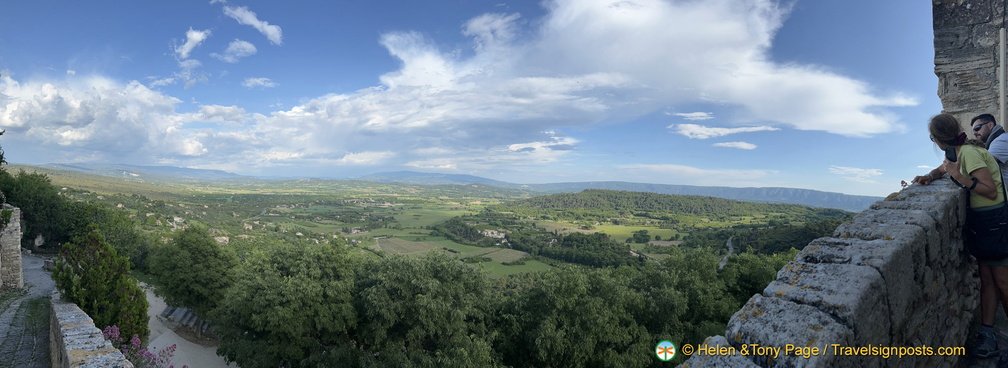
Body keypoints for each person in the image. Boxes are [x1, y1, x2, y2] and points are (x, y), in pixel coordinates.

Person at [913, 113, 1008, 358]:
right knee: (987, 280)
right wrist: (931, 176)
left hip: (995, 221)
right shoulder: (956, 152)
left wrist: (959, 177)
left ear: (936, 138)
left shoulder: (970, 153)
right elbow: (944, 167)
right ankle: (988, 334)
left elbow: (989, 190)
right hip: (983, 223)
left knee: (1003, 283)